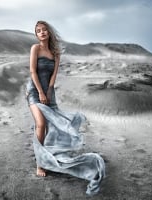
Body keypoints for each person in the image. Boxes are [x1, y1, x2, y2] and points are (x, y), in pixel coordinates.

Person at [25, 20, 105, 196]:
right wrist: (40, 92)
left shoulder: (55, 52)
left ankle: (50, 153)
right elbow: (32, 71)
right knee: (41, 124)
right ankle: (40, 163)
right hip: (34, 90)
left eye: (44, 30)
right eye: (38, 31)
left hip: (49, 92)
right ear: (36, 35)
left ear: (49, 32)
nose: (42, 33)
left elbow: (54, 75)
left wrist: (49, 92)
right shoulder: (35, 49)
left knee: (55, 124)